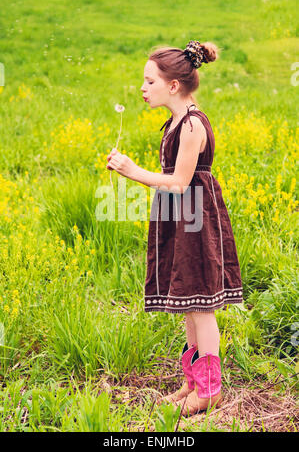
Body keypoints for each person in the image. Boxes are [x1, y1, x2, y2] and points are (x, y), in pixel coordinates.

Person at [106, 40, 243, 416]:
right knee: (188, 301)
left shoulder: (193, 125)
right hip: (181, 218)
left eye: (150, 81)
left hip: (195, 217)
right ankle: (193, 383)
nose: (143, 88)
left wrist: (133, 172)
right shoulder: (176, 122)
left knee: (202, 305)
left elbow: (181, 182)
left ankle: (210, 390)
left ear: (172, 85)